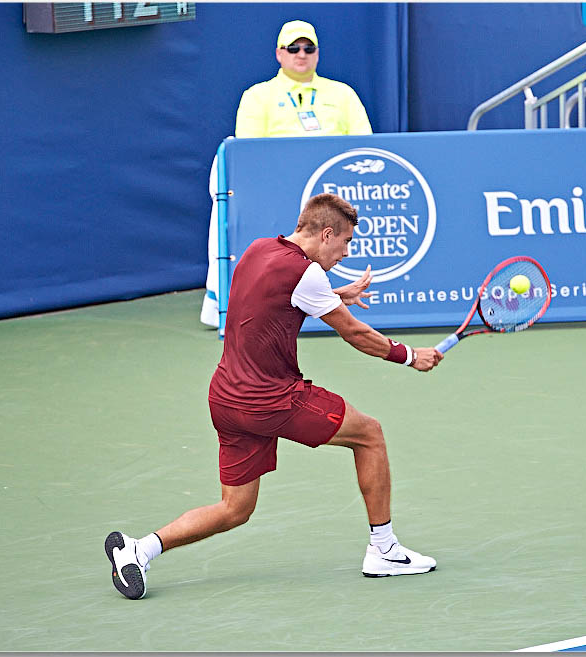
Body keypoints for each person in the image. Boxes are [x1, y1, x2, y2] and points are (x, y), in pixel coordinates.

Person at [107, 193, 444, 599]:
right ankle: (384, 550)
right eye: (346, 242)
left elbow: (275, 297)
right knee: (369, 434)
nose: (346, 252)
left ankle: (138, 550)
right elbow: (354, 333)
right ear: (325, 233)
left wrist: (337, 295)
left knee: (235, 509)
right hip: (271, 400)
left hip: (226, 398)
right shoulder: (308, 276)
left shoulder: (259, 249)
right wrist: (410, 356)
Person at [200, 19, 373, 327]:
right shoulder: (257, 95)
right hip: (273, 191)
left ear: (317, 53)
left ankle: (334, 298)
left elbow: (365, 143)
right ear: (279, 54)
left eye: (308, 48)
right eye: (293, 48)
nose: (301, 54)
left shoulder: (343, 94)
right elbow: (248, 152)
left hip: (332, 191)